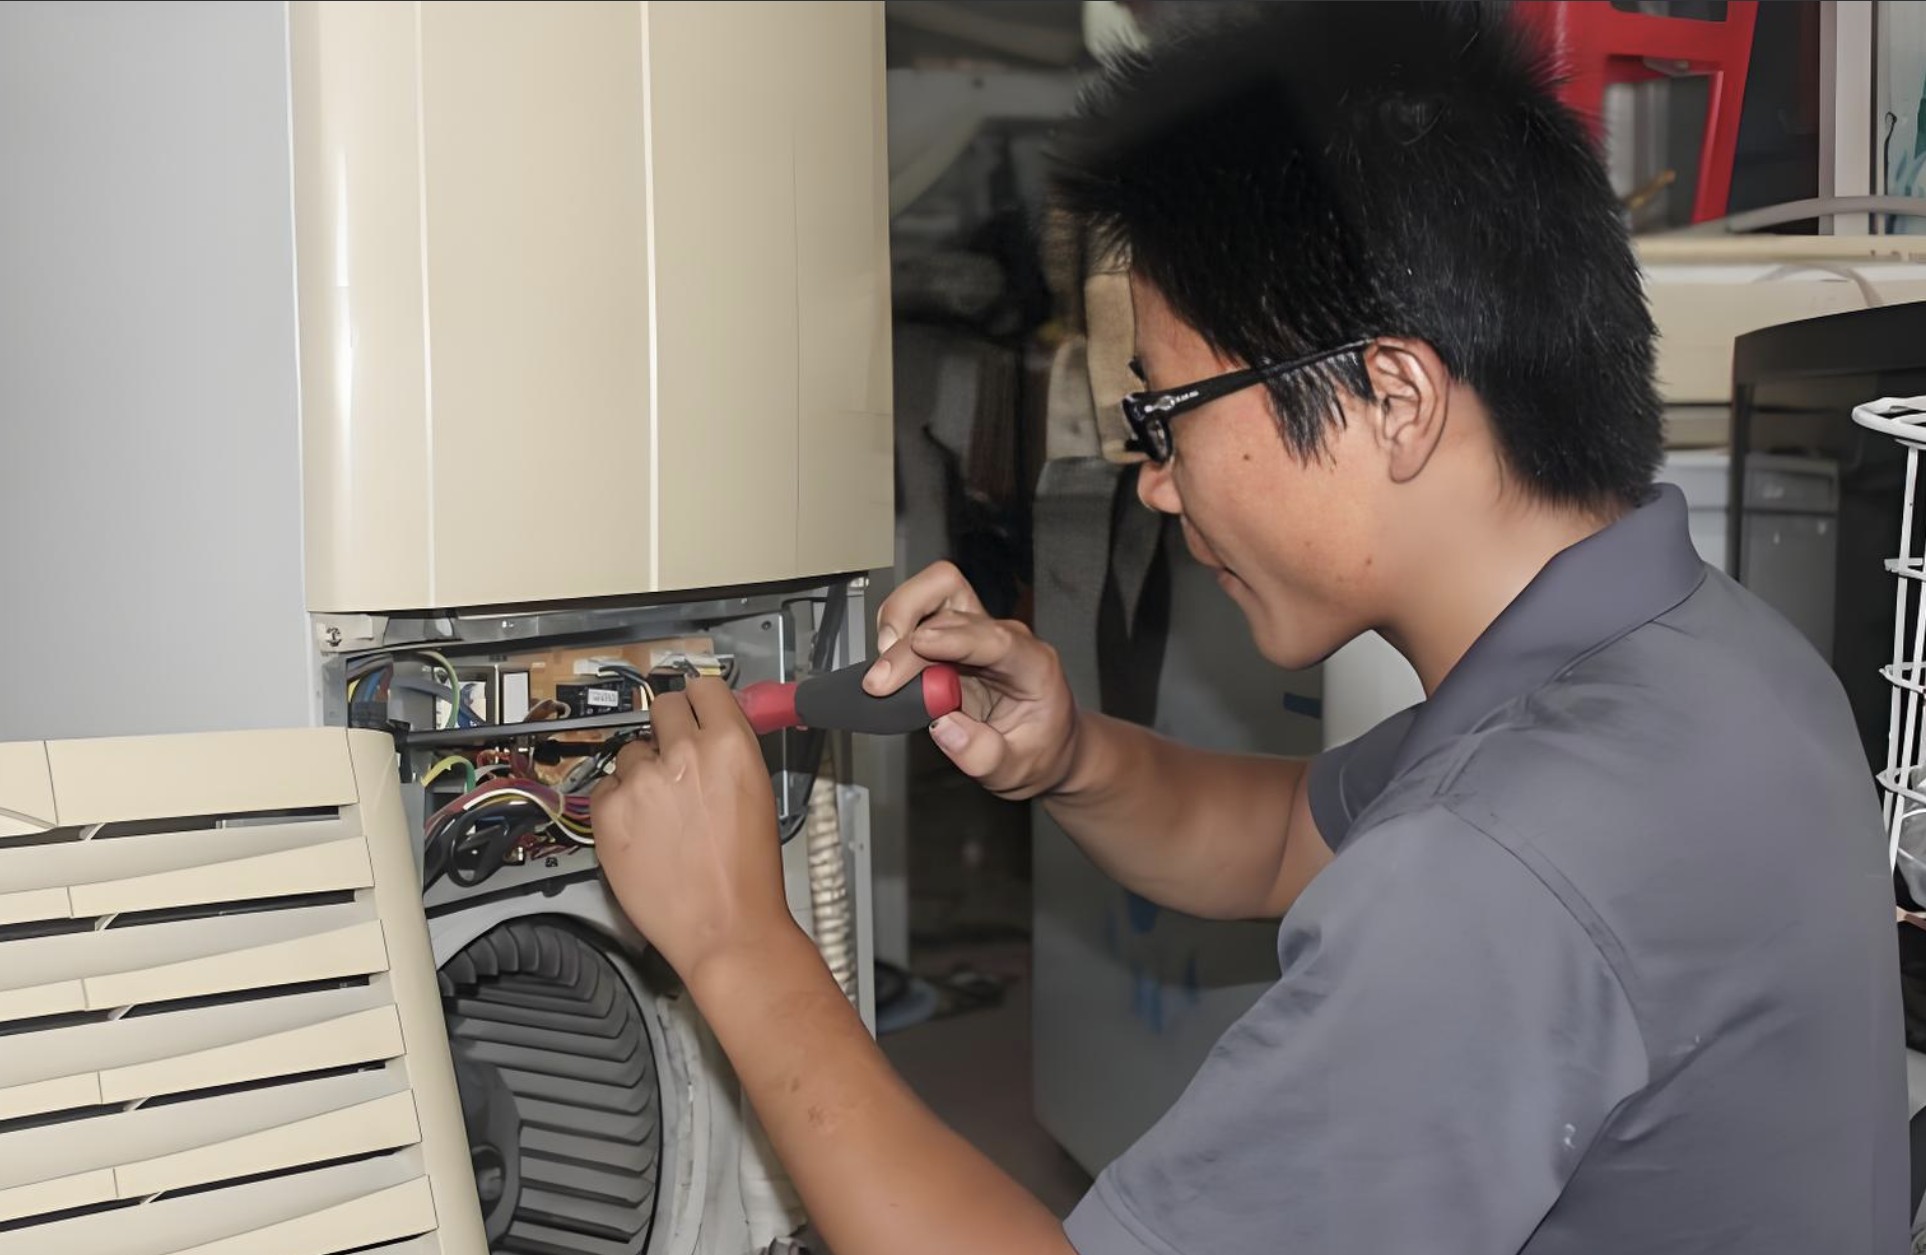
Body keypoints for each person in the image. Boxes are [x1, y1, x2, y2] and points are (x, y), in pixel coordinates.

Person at [591, 3, 1909, 1251]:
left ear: (1393, 399)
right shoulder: (1702, 658)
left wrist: (736, 943)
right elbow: (1288, 839)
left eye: (1165, 416)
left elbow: (1454, 875)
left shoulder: (1497, 868)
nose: (1156, 486)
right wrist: (1066, 754)